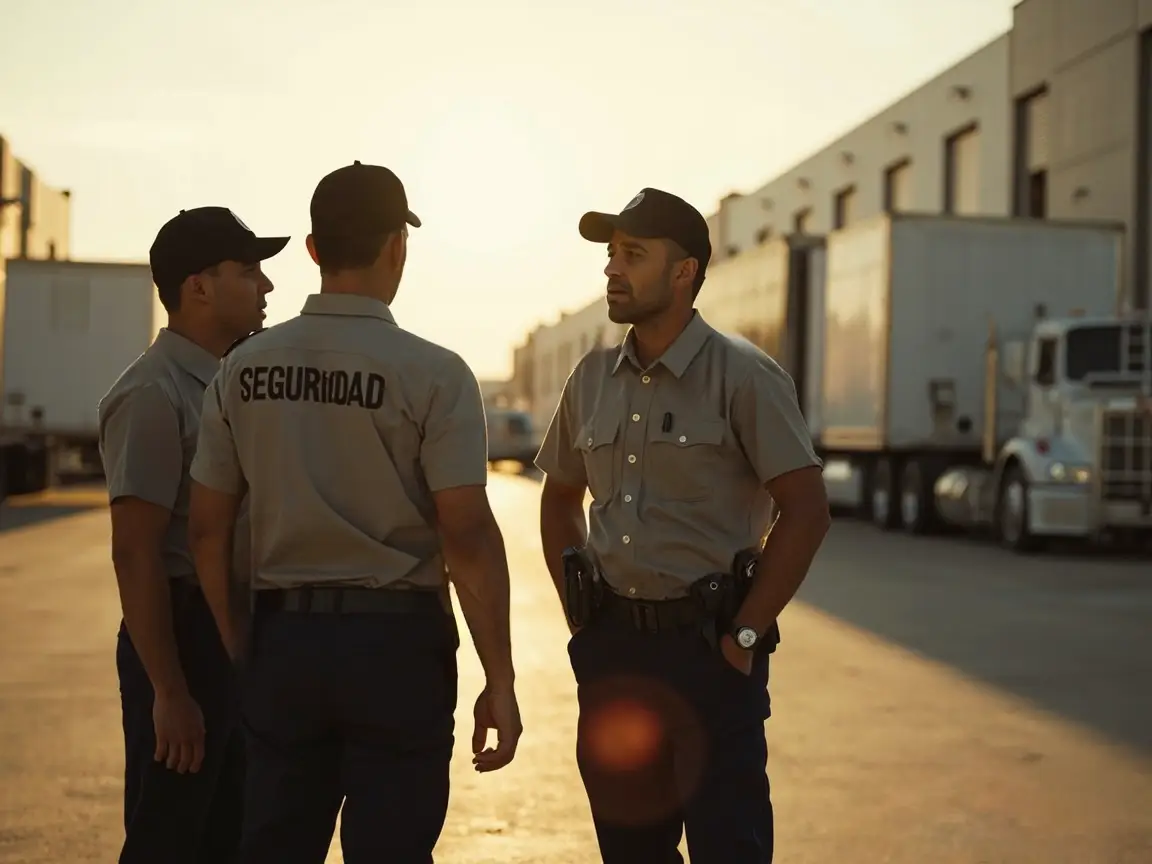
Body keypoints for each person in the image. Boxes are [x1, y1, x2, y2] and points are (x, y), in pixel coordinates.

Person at [186, 160, 523, 864]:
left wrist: (239, 645)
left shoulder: (241, 372)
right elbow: (465, 532)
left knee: (274, 846)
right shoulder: (435, 373)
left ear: (311, 250)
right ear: (398, 246)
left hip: (284, 642)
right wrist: (500, 676)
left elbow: (208, 526)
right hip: (396, 650)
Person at [535, 187, 831, 864]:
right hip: (616, 659)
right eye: (610, 255)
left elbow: (807, 509)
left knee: (730, 846)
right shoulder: (589, 380)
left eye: (632, 255)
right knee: (631, 852)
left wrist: (746, 633)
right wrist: (579, 611)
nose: (612, 269)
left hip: (710, 656)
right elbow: (559, 500)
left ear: (683, 272)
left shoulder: (745, 377)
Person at [98, 206, 287, 864]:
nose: (266, 287)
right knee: (171, 836)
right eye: (249, 271)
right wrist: (170, 693)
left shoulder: (231, 385)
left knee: (233, 833)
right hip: (181, 638)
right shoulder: (153, 394)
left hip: (232, 631)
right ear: (198, 286)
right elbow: (136, 552)